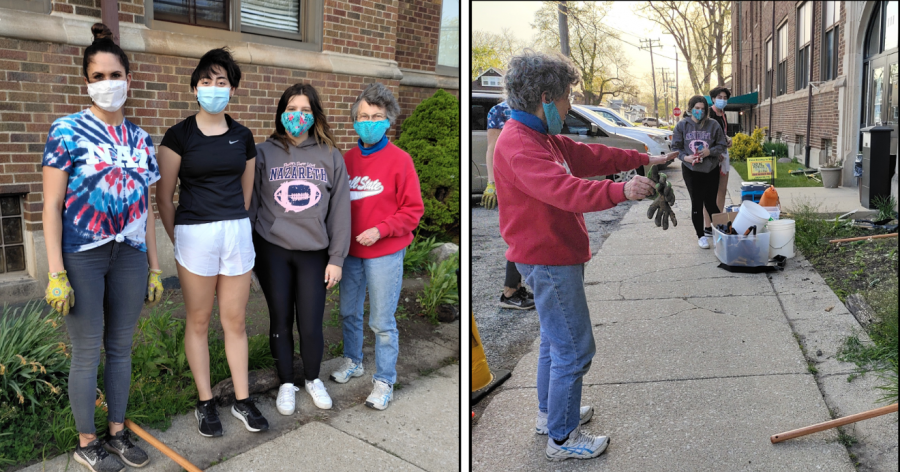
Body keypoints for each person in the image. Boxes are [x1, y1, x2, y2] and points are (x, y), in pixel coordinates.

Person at [493, 49, 677, 462]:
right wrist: (621, 190)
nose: (569, 106)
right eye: (565, 98)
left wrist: (645, 158)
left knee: (553, 345)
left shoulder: (541, 137)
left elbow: (591, 156)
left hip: (552, 256)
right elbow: (566, 189)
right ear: (544, 97)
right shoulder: (521, 145)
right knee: (575, 349)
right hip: (548, 260)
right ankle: (561, 438)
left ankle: (550, 415)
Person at [42, 22, 164, 472]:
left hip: (129, 254)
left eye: (116, 75)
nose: (108, 84)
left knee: (121, 347)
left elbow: (147, 209)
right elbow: (51, 206)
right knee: (88, 350)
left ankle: (116, 431)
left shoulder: (140, 139)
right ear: (87, 83)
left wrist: (154, 267)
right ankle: (86, 440)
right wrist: (56, 272)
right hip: (83, 255)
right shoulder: (67, 131)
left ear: (129, 80)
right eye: (99, 77)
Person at [156, 47, 269, 437]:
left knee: (235, 320)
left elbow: (247, 193)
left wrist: (231, 224)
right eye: (207, 81)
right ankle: (205, 402)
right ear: (195, 88)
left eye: (222, 82)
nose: (214, 88)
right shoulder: (178, 135)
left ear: (232, 89)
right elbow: (164, 195)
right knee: (199, 320)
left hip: (235, 233)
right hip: (194, 234)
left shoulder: (243, 135)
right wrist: (180, 238)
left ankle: (242, 399)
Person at [248, 83, 351, 415]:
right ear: (281, 113)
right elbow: (250, 206)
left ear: (315, 115)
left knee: (310, 323)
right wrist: (248, 255)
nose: (298, 116)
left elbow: (340, 210)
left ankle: (311, 378)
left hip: (314, 252)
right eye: (292, 109)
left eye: (306, 110)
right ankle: (286, 384)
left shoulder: (330, 155)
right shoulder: (263, 153)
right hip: (272, 249)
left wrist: (336, 258)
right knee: (280, 320)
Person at [330, 83, 424, 411]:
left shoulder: (400, 161)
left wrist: (380, 230)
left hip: (384, 252)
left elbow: (413, 210)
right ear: (354, 120)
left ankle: (384, 379)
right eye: (363, 116)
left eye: (377, 116)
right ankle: (353, 361)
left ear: (388, 121)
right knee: (349, 312)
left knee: (382, 322)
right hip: (351, 253)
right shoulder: (345, 160)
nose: (369, 121)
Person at [484, 100, 535, 310]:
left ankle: (516, 287)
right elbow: (492, 148)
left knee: (528, 233)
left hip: (531, 177)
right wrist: (491, 183)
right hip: (511, 181)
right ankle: (510, 292)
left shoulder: (537, 106)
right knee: (519, 235)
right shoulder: (499, 110)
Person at [673, 95, 729, 249]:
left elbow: (722, 145)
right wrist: (686, 158)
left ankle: (724, 232)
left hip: (710, 169)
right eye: (697, 108)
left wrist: (709, 152)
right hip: (691, 170)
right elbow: (675, 148)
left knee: (711, 203)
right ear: (690, 109)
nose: (700, 111)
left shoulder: (713, 125)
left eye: (703, 109)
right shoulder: (682, 126)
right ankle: (701, 236)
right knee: (697, 203)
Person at [702, 85, 734, 236]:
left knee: (721, 191)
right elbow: (705, 136)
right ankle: (708, 226)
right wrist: (716, 151)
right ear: (713, 99)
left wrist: (728, 140)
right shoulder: (709, 114)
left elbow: (722, 134)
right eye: (719, 97)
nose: (722, 100)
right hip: (712, 157)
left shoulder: (723, 114)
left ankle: (718, 222)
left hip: (723, 156)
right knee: (709, 192)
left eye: (725, 98)